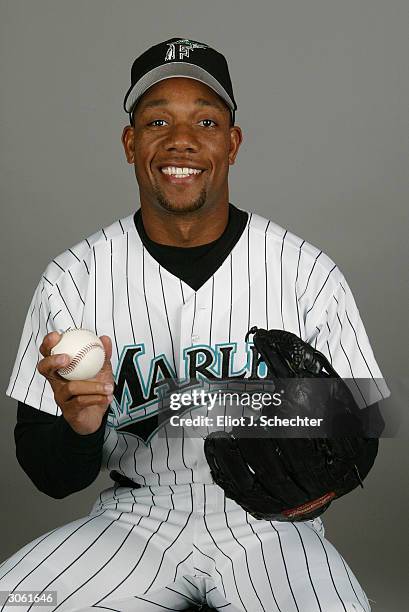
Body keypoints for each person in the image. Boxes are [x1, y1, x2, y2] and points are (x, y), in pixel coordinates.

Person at [2, 37, 389, 612]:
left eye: (205, 121)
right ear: (131, 143)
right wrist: (79, 427)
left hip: (269, 529)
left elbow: (364, 429)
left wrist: (296, 471)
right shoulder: (74, 277)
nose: (180, 139)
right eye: (157, 120)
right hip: (134, 521)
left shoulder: (305, 272)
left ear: (232, 144)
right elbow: (49, 475)